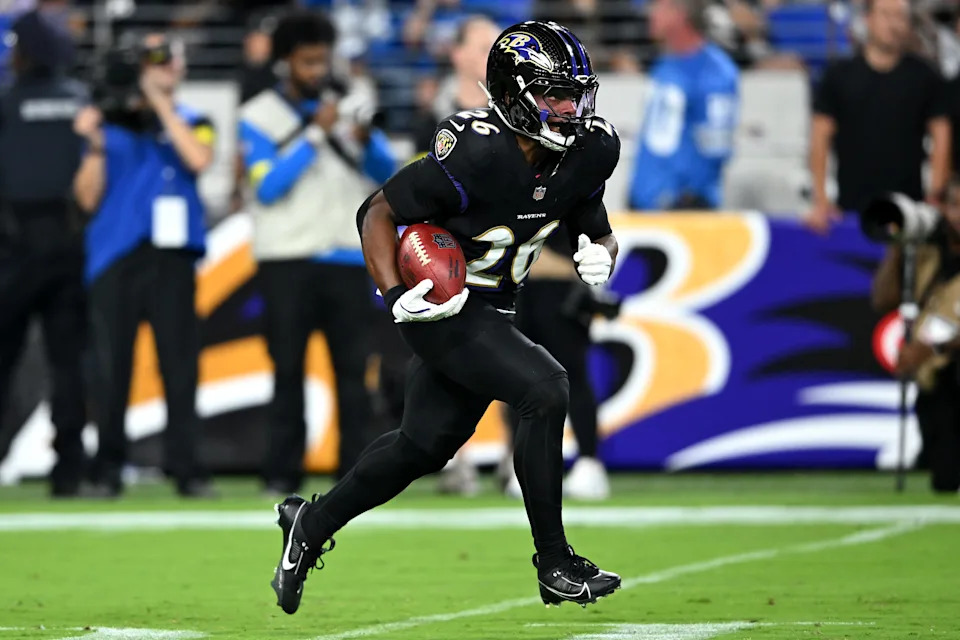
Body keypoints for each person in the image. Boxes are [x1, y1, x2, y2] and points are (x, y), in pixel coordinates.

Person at [270, 20, 622, 614]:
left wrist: (601, 255)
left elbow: (599, 229)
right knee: (546, 388)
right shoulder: (476, 149)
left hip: (494, 308)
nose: (569, 108)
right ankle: (555, 562)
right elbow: (376, 212)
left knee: (423, 446)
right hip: (440, 302)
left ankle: (310, 522)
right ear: (513, 94)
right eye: (553, 94)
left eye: (574, 93)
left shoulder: (592, 149)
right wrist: (390, 293)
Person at [239, 11, 395, 493]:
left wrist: (364, 138)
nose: (317, 71)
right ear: (286, 62)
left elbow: (386, 171)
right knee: (287, 370)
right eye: (307, 62)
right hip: (286, 258)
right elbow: (267, 189)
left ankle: (355, 473)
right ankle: (283, 472)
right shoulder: (257, 115)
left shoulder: (353, 104)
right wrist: (312, 134)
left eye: (322, 60)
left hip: (348, 258)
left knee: (352, 372)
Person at [73, 33, 216, 498]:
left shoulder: (195, 121)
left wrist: (157, 100)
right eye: (149, 61)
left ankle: (187, 469)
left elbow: (198, 160)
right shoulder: (107, 127)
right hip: (116, 256)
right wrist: (93, 144)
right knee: (112, 369)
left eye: (165, 58)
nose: (159, 66)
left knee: (180, 367)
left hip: (172, 258)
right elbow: (85, 197)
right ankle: (108, 468)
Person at [0, 10, 87, 497]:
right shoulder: (80, 103)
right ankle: (69, 472)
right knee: (68, 365)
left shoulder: (7, 103)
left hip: (13, 248)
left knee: (3, 362)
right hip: (70, 248)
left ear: (24, 52)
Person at [809, 0, 951, 233]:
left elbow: (941, 137)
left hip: (908, 212)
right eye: (886, 14)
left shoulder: (925, 77)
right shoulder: (839, 75)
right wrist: (821, 199)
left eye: (900, 17)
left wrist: (935, 197)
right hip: (851, 210)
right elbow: (819, 138)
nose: (893, 24)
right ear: (868, 19)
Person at [501, 224, 616, 501]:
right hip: (519, 295)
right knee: (519, 382)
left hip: (560, 298)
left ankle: (589, 462)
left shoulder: (567, 192)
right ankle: (526, 463)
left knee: (572, 377)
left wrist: (522, 260)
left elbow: (585, 256)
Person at [872, 177, 960, 493]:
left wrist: (933, 348)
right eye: (954, 205)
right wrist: (898, 247)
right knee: (945, 480)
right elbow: (883, 301)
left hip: (948, 361)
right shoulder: (929, 252)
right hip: (937, 380)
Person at [629, 0, 739, 211]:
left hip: (683, 207)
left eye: (658, 6)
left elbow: (717, 147)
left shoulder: (716, 72)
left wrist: (686, 197)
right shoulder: (664, 65)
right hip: (645, 201)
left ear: (679, 13)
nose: (651, 13)